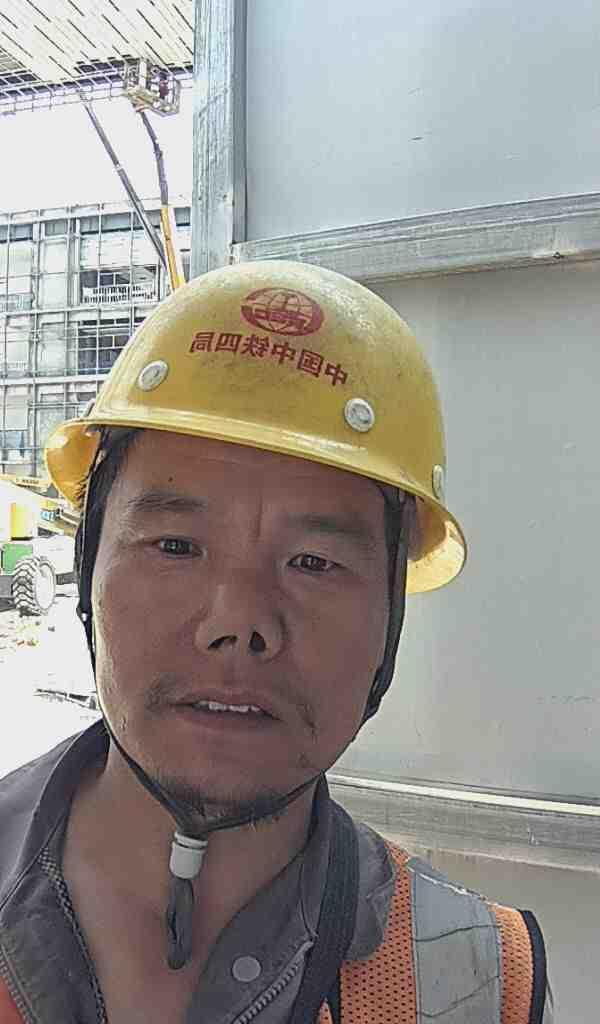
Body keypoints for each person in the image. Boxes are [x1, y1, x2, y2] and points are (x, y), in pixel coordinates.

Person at [0, 262, 552, 1023]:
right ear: (89, 566)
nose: (239, 623)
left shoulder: (477, 982)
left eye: (314, 563)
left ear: (389, 616)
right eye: (175, 546)